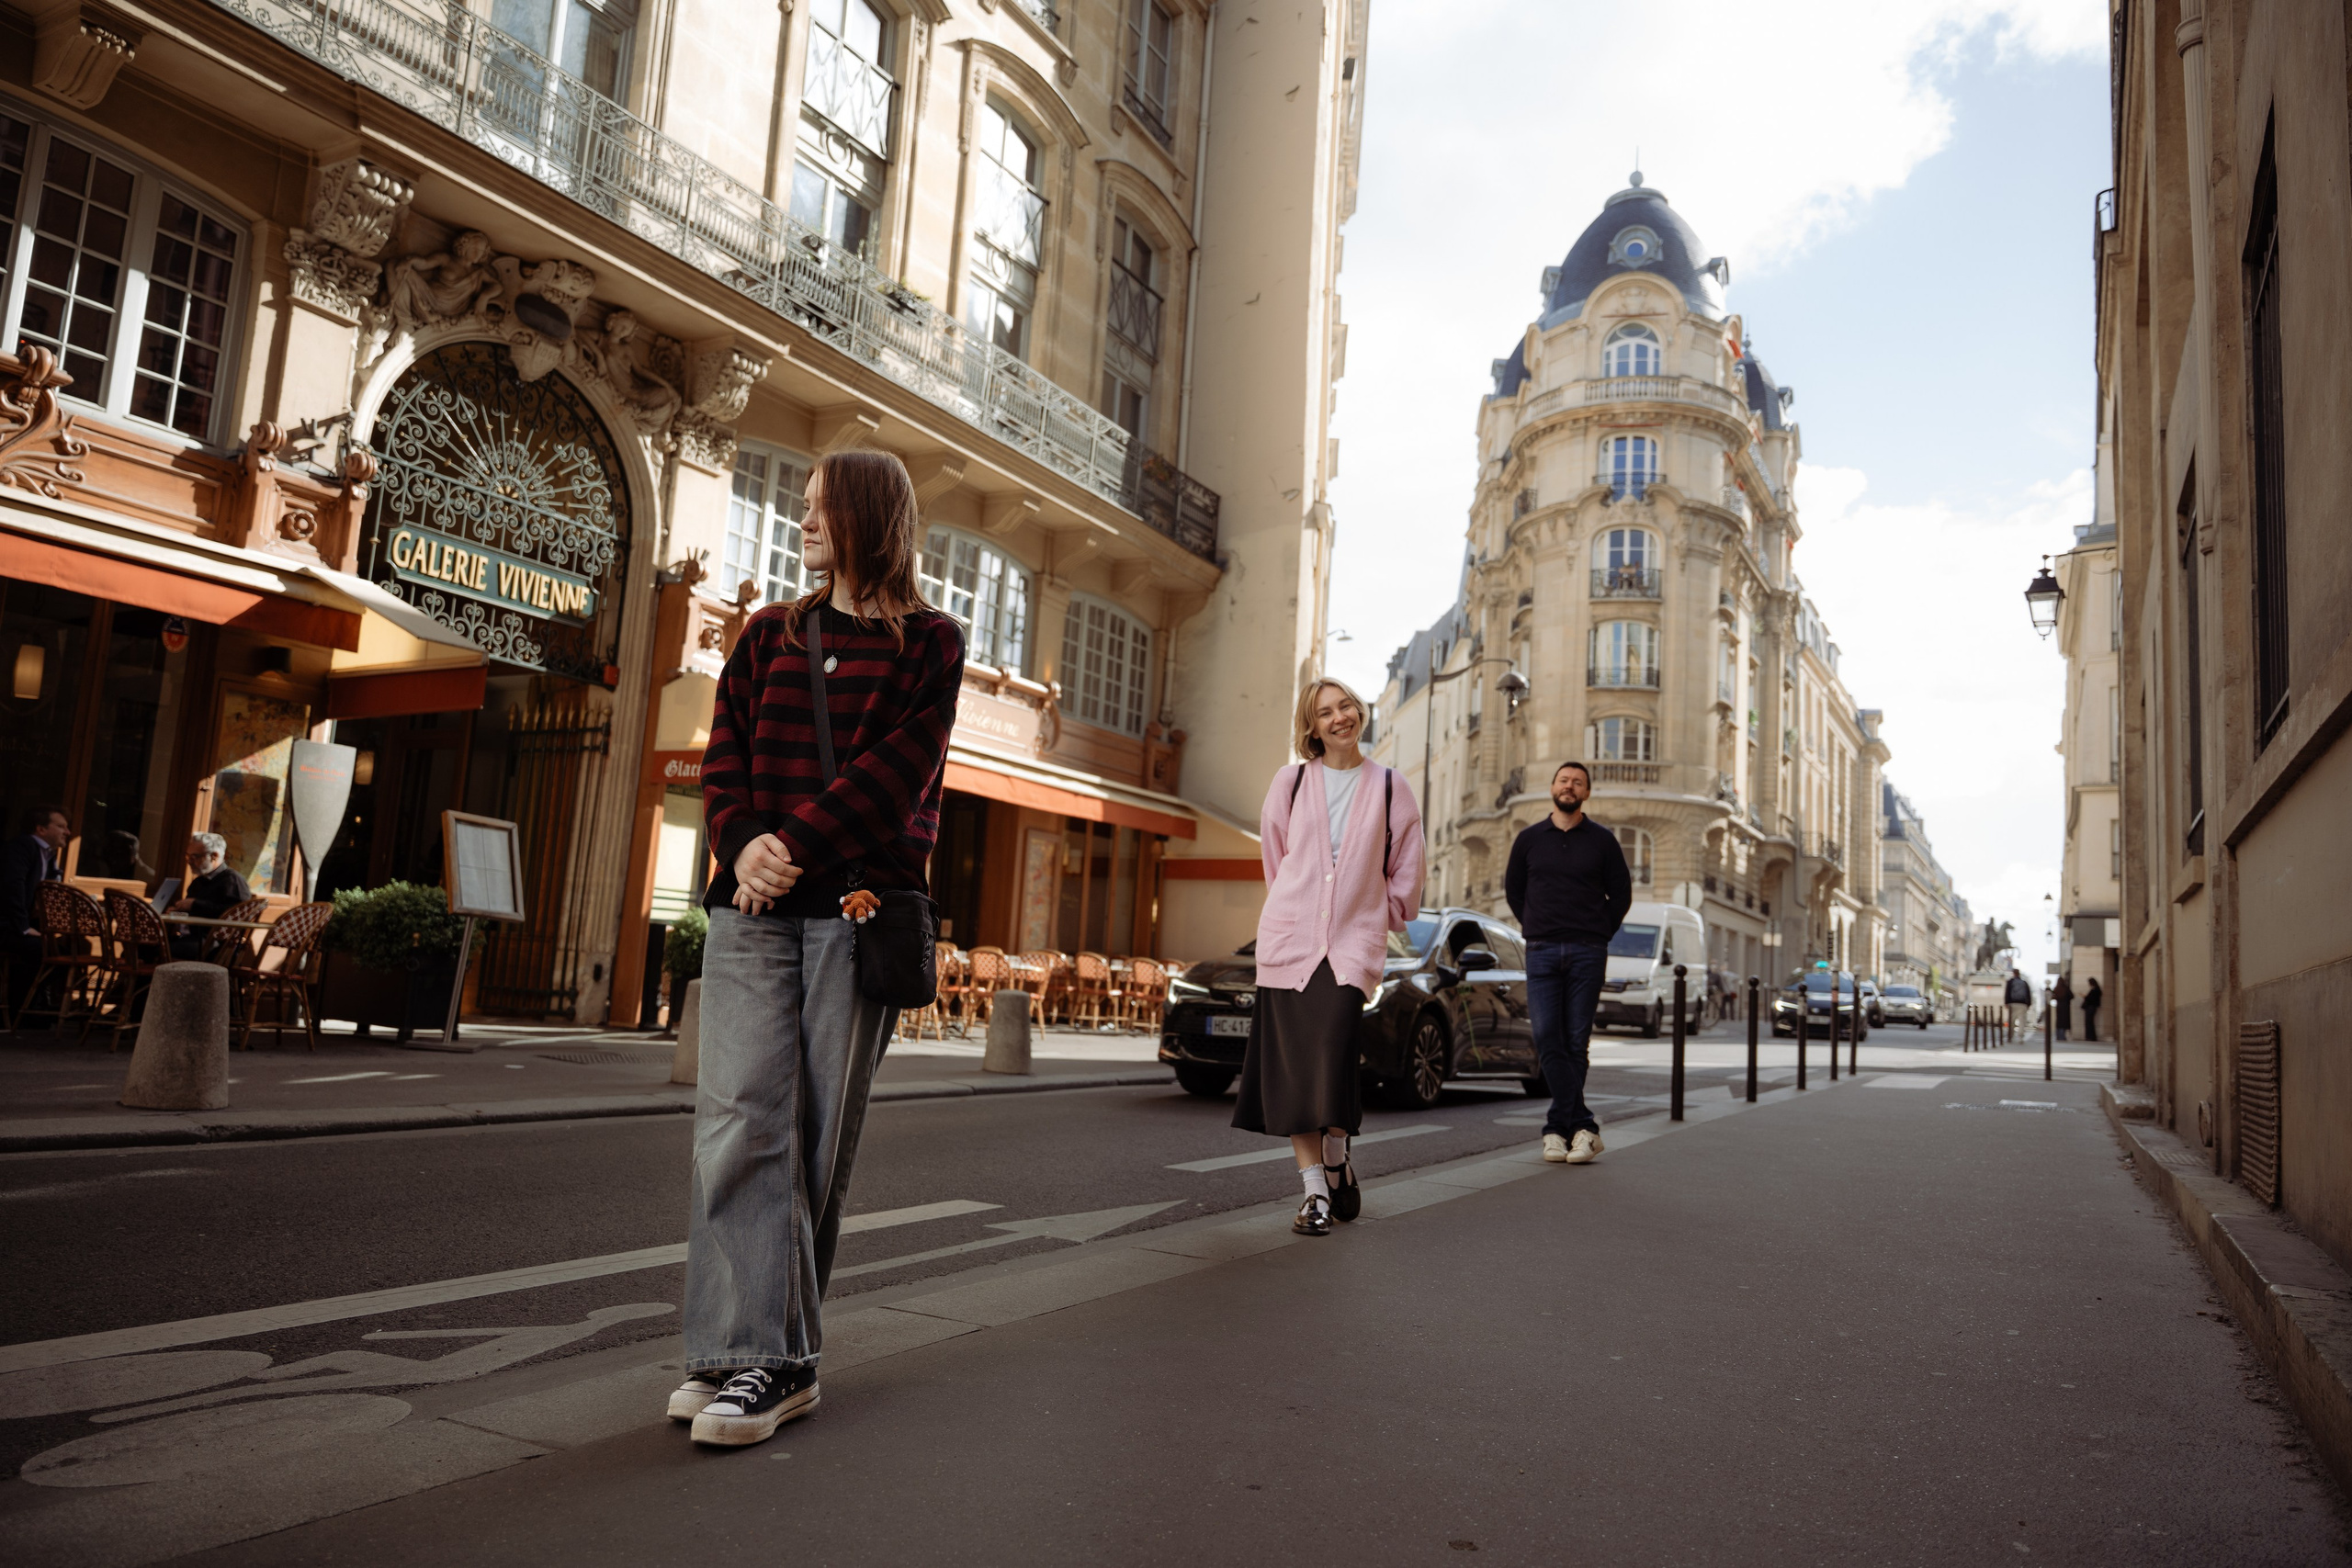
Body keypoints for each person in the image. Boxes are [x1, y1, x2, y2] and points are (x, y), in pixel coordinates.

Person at [669, 449, 963, 1450]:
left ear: (868, 517)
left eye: (817, 509)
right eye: (799, 508)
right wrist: (741, 842)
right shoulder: (764, 634)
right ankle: (744, 1349)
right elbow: (726, 755)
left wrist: (790, 844)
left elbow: (899, 773)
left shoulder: (931, 642)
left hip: (857, 908)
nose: (800, 522)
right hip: (751, 908)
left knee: (809, 1134)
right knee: (735, 1125)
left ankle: (769, 1358)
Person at [1233, 676, 1423, 1237]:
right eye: (1325, 712)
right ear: (1311, 727)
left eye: (1346, 706)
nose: (1339, 717)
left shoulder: (1391, 785)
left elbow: (1407, 869)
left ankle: (1338, 1150)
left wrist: (1373, 913)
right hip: (1290, 942)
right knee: (1295, 1071)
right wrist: (1296, 912)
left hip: (1352, 945)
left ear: (1360, 713)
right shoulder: (1290, 782)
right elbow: (1278, 861)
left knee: (1333, 1053)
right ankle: (1315, 1190)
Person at [1506, 761, 1633, 1165]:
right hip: (1542, 950)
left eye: (1578, 782)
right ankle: (1584, 1126)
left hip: (1587, 951)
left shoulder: (1603, 841)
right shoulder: (1528, 839)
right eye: (1564, 780)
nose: (1570, 786)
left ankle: (1558, 1132)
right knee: (1547, 1037)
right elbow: (1514, 891)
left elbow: (1621, 894)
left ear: (1586, 793)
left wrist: (1597, 933)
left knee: (1576, 1041)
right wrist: (1535, 926)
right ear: (1553, 788)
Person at [3, 806, 70, 1015]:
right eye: (61, 826)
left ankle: (31, 1008)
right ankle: (22, 1010)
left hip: (23, 925)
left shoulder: (49, 855)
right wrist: (23, 927)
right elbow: (13, 886)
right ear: (41, 829)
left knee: (64, 951)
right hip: (8, 926)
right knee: (51, 953)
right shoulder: (23, 847)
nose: (67, 832)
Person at [169, 833, 251, 961]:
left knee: (163, 949)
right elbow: (192, 914)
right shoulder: (199, 881)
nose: (189, 861)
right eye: (187, 856)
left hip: (216, 944)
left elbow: (239, 914)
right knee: (146, 946)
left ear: (214, 856)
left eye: (195, 856)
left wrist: (195, 904)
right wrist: (176, 912)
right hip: (192, 937)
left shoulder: (232, 880)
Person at [2004, 968, 2031, 1037]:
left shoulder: (2010, 982)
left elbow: (2007, 992)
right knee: (2022, 1021)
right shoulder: (2024, 983)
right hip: (2023, 1004)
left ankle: (2011, 1035)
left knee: (2012, 1021)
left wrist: (2006, 1002)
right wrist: (2028, 1005)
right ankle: (2021, 1035)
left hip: (2012, 1003)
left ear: (2013, 974)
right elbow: (2028, 994)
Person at [2081, 976, 2103, 1044]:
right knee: (2090, 1022)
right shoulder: (2096, 989)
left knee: (2089, 1022)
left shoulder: (2095, 990)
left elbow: (2091, 999)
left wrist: (2085, 997)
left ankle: (2090, 1037)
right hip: (2092, 1007)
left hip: (2091, 1007)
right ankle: (2091, 1037)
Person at [2053, 973, 2074, 1042]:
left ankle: (2059, 1036)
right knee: (2064, 1022)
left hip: (2059, 1006)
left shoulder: (2056, 988)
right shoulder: (2066, 988)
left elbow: (2053, 996)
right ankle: (2063, 1036)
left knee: (2059, 1021)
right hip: (2065, 1007)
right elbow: (2072, 996)